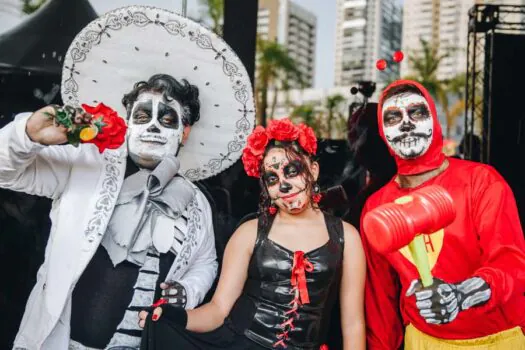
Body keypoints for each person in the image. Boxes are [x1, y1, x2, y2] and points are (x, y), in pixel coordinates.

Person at [3, 6, 255, 350]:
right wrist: (27, 133)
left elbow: (205, 261)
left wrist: (188, 291)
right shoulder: (85, 164)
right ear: (128, 121)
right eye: (142, 114)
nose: (152, 125)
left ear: (184, 132)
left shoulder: (195, 203)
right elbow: (7, 170)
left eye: (166, 119)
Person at [138, 118, 366, 350]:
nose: (284, 185)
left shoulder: (346, 237)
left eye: (292, 170)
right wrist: (175, 316)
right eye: (273, 179)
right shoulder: (248, 233)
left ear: (313, 170)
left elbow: (353, 324)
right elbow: (218, 310)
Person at [362, 80, 525, 349]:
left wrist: (460, 295)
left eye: (416, 112)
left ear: (434, 120)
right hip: (423, 341)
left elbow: (511, 263)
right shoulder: (377, 206)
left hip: (497, 339)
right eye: (393, 117)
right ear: (382, 131)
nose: (405, 124)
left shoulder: (481, 182)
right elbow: (380, 300)